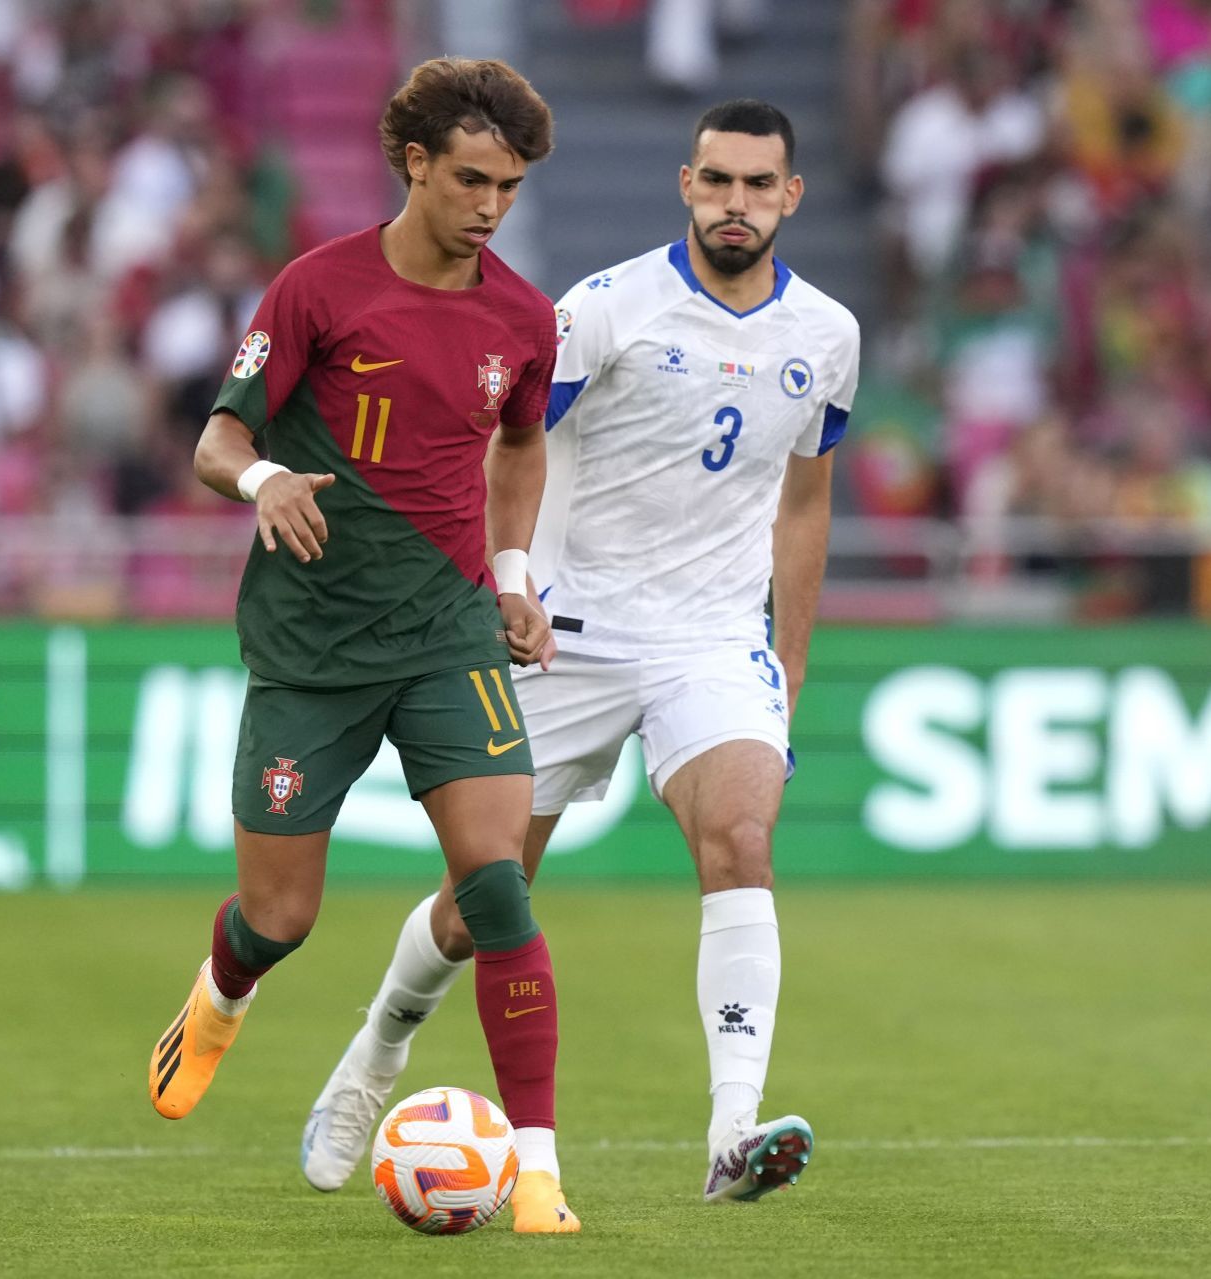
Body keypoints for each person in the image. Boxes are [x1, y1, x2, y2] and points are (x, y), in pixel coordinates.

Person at [301, 98, 859, 1204]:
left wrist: (788, 655)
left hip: (711, 636)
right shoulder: (604, 310)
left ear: (790, 196)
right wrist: (498, 589)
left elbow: (805, 501)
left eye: (759, 185)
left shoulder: (827, 334)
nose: (736, 203)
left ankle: (732, 1129)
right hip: (567, 626)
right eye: (717, 181)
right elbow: (500, 444)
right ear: (685, 185)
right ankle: (375, 1052)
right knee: (483, 903)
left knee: (742, 837)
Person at [145, 56, 581, 1235]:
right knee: (278, 918)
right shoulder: (316, 290)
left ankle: (537, 1171)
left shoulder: (525, 317)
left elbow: (524, 444)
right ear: (417, 164)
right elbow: (217, 438)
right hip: (311, 643)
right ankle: (221, 995)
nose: (492, 206)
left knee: (497, 882)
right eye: (474, 180)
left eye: (513, 186)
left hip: (446, 631)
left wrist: (514, 575)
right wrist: (270, 474)